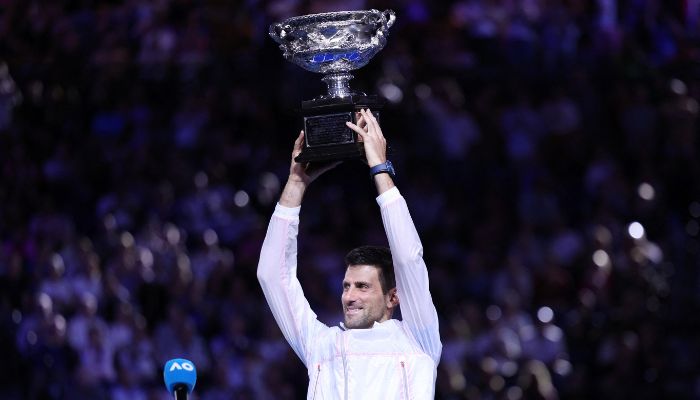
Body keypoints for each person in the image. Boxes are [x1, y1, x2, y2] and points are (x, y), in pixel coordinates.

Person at [257, 109, 442, 399]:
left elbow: (408, 258)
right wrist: (295, 184)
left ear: (393, 297)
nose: (349, 296)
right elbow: (271, 275)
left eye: (363, 286)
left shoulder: (417, 339)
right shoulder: (321, 345)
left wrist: (380, 169)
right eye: (347, 286)